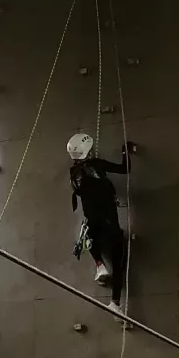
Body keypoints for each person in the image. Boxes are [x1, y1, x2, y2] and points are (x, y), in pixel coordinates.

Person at [68, 133, 135, 314]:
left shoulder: (73, 174)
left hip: (92, 221)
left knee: (88, 237)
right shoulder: (96, 164)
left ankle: (99, 264)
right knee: (118, 259)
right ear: (87, 152)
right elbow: (125, 169)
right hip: (109, 221)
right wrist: (125, 151)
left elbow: (82, 194)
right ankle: (115, 302)